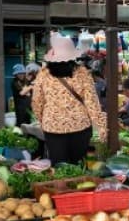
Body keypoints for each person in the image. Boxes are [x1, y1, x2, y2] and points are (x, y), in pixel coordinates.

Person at [32, 34, 107, 165]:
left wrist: (43, 120)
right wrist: (101, 125)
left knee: (59, 166)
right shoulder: (82, 72)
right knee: (78, 165)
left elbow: (37, 102)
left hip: (53, 128)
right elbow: (92, 103)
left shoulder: (43, 74)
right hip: (80, 127)